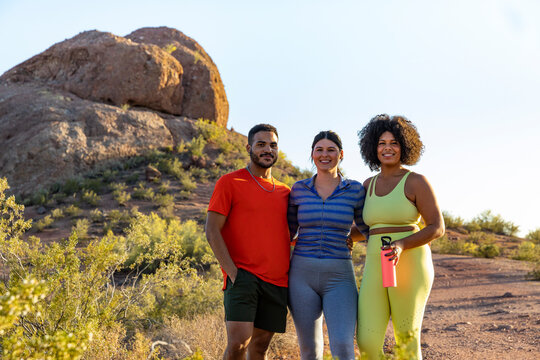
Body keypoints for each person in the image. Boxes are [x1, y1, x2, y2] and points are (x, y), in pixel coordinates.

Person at [354, 114, 445, 359]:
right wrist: (332, 236)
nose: (387, 148)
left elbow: (437, 226)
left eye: (394, 143)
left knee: (406, 341)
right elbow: (365, 229)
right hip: (376, 263)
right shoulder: (367, 185)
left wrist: (401, 244)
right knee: (367, 341)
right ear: (373, 148)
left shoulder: (416, 182)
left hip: (410, 263)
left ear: (404, 146)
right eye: (382, 143)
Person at [205, 124, 291, 360]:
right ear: (249, 147)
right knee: (238, 344)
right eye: (261, 144)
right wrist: (233, 273)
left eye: (273, 145)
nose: (267, 150)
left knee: (260, 347)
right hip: (243, 277)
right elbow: (212, 229)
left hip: (277, 280)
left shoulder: (286, 192)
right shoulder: (230, 182)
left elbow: (292, 235)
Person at [287, 130, 368, 360]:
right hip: (301, 276)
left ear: (341, 154)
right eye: (319, 150)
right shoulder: (299, 190)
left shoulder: (354, 190)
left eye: (331, 150)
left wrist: (351, 238)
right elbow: (288, 232)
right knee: (310, 351)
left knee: (343, 347)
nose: (325, 155)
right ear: (312, 154)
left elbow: (366, 228)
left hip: (340, 276)